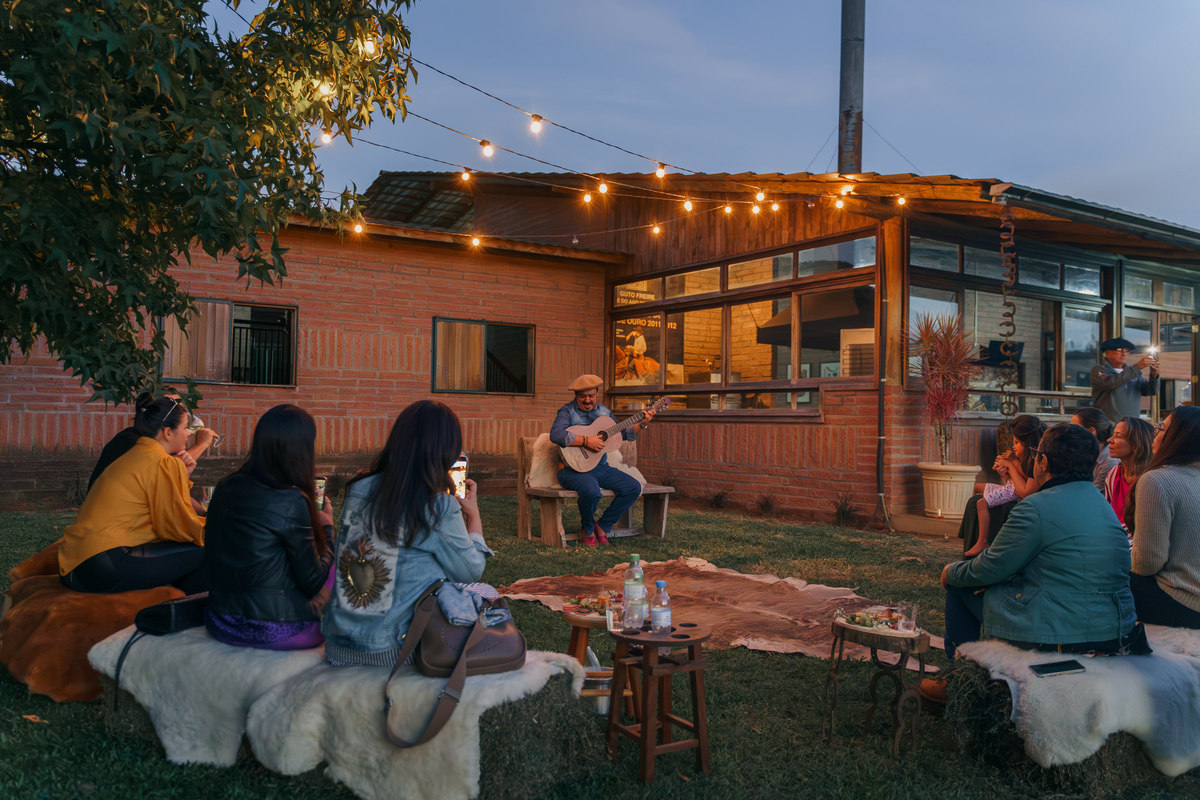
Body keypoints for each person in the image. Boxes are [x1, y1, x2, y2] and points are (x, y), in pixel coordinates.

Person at [921, 424, 1139, 702]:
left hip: (1060, 633)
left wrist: (950, 571)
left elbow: (991, 566)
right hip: (1113, 628)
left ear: (1043, 461)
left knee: (960, 585)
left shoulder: (1036, 507)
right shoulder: (1101, 503)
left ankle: (960, 683)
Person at [322, 400, 493, 666]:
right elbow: (469, 572)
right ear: (445, 450)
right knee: (483, 592)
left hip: (337, 644)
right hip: (389, 651)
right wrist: (474, 517)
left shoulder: (359, 488)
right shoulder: (437, 505)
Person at [202, 405, 334, 650]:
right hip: (275, 630)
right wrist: (327, 530)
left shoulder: (225, 486)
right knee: (336, 565)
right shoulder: (292, 500)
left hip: (220, 621)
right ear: (302, 449)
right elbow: (313, 581)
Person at [59, 394, 206, 593]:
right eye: (185, 428)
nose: (189, 433)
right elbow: (176, 526)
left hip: (76, 563)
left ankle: (174, 603)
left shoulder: (138, 453)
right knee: (212, 549)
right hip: (102, 565)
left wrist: (182, 477)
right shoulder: (161, 462)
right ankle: (184, 615)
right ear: (168, 432)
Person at [549, 374, 654, 546]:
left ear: (597, 393)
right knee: (592, 492)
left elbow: (622, 434)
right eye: (583, 396)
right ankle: (588, 529)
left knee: (632, 487)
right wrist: (586, 440)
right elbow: (556, 434)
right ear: (576, 396)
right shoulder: (567, 411)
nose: (587, 400)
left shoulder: (604, 412)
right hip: (572, 470)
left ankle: (603, 526)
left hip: (601, 467)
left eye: (591, 395)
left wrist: (642, 424)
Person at [1129, 405, 1200, 628]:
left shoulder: (1157, 480)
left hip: (1181, 601)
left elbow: (1147, 564)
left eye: (1161, 427)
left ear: (1177, 438)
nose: (1154, 432)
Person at [88, 390, 217, 495]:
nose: (180, 412)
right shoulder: (135, 443)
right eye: (173, 406)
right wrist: (201, 445)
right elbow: (168, 481)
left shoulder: (148, 443)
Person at [958, 415, 1045, 556]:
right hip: (1013, 490)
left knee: (981, 502)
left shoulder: (1035, 461)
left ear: (1028, 442)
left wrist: (1011, 465)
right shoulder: (1022, 458)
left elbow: (1024, 492)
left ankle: (982, 540)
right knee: (976, 490)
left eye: (1017, 442)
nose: (1013, 446)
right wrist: (1006, 473)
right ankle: (971, 533)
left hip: (1023, 498)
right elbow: (1015, 480)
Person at [1104, 416, 1155, 537]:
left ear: (1135, 444)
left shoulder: (1151, 480)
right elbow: (1108, 516)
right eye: (1113, 434)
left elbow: (1146, 528)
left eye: (1118, 436)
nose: (1109, 440)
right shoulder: (1112, 474)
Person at [1089, 337, 1158, 424]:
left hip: (1131, 426)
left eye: (1126, 351)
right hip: (1107, 426)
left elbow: (1150, 391)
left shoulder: (1133, 372)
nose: (1124, 354)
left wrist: (1154, 375)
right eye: (1119, 350)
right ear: (1107, 352)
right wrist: (1138, 367)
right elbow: (1109, 383)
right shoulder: (1098, 370)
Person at [1069, 406, 1118, 492]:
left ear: (1092, 431)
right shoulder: (1082, 453)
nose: (1070, 433)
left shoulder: (1109, 461)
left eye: (1074, 428)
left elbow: (1090, 494)